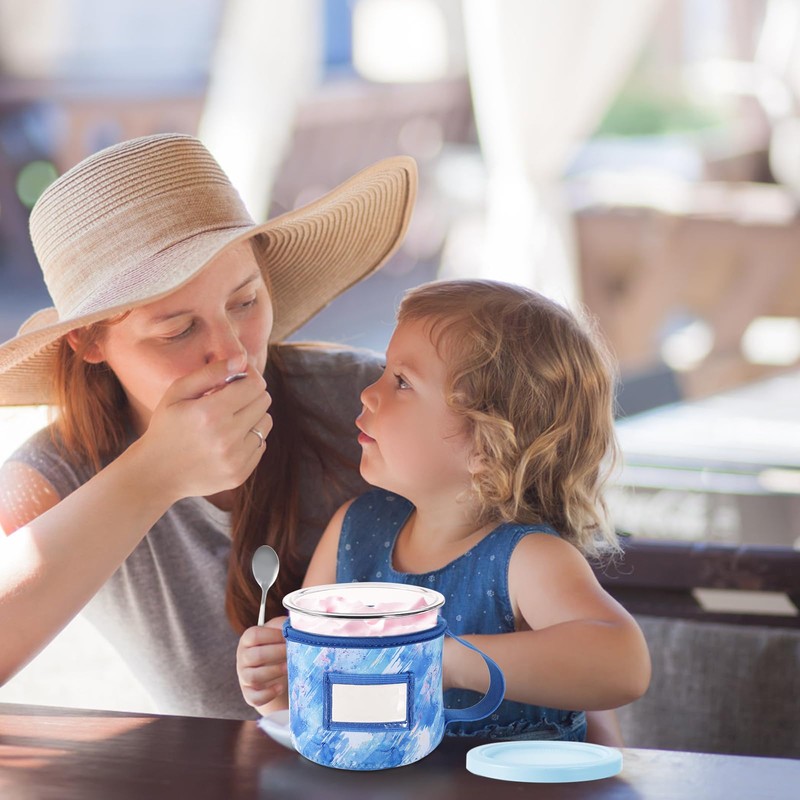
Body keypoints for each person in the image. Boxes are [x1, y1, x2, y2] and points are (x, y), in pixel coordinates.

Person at [0, 133, 417, 720]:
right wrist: (155, 474)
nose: (233, 354)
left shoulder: (366, 401)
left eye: (245, 303)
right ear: (90, 342)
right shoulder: (54, 477)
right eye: (177, 330)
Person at [237, 279, 651, 743]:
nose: (368, 393)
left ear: (488, 445)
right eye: (385, 372)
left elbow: (623, 664)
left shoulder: (527, 559)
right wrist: (278, 684)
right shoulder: (353, 531)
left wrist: (444, 660)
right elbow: (314, 698)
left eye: (402, 382)